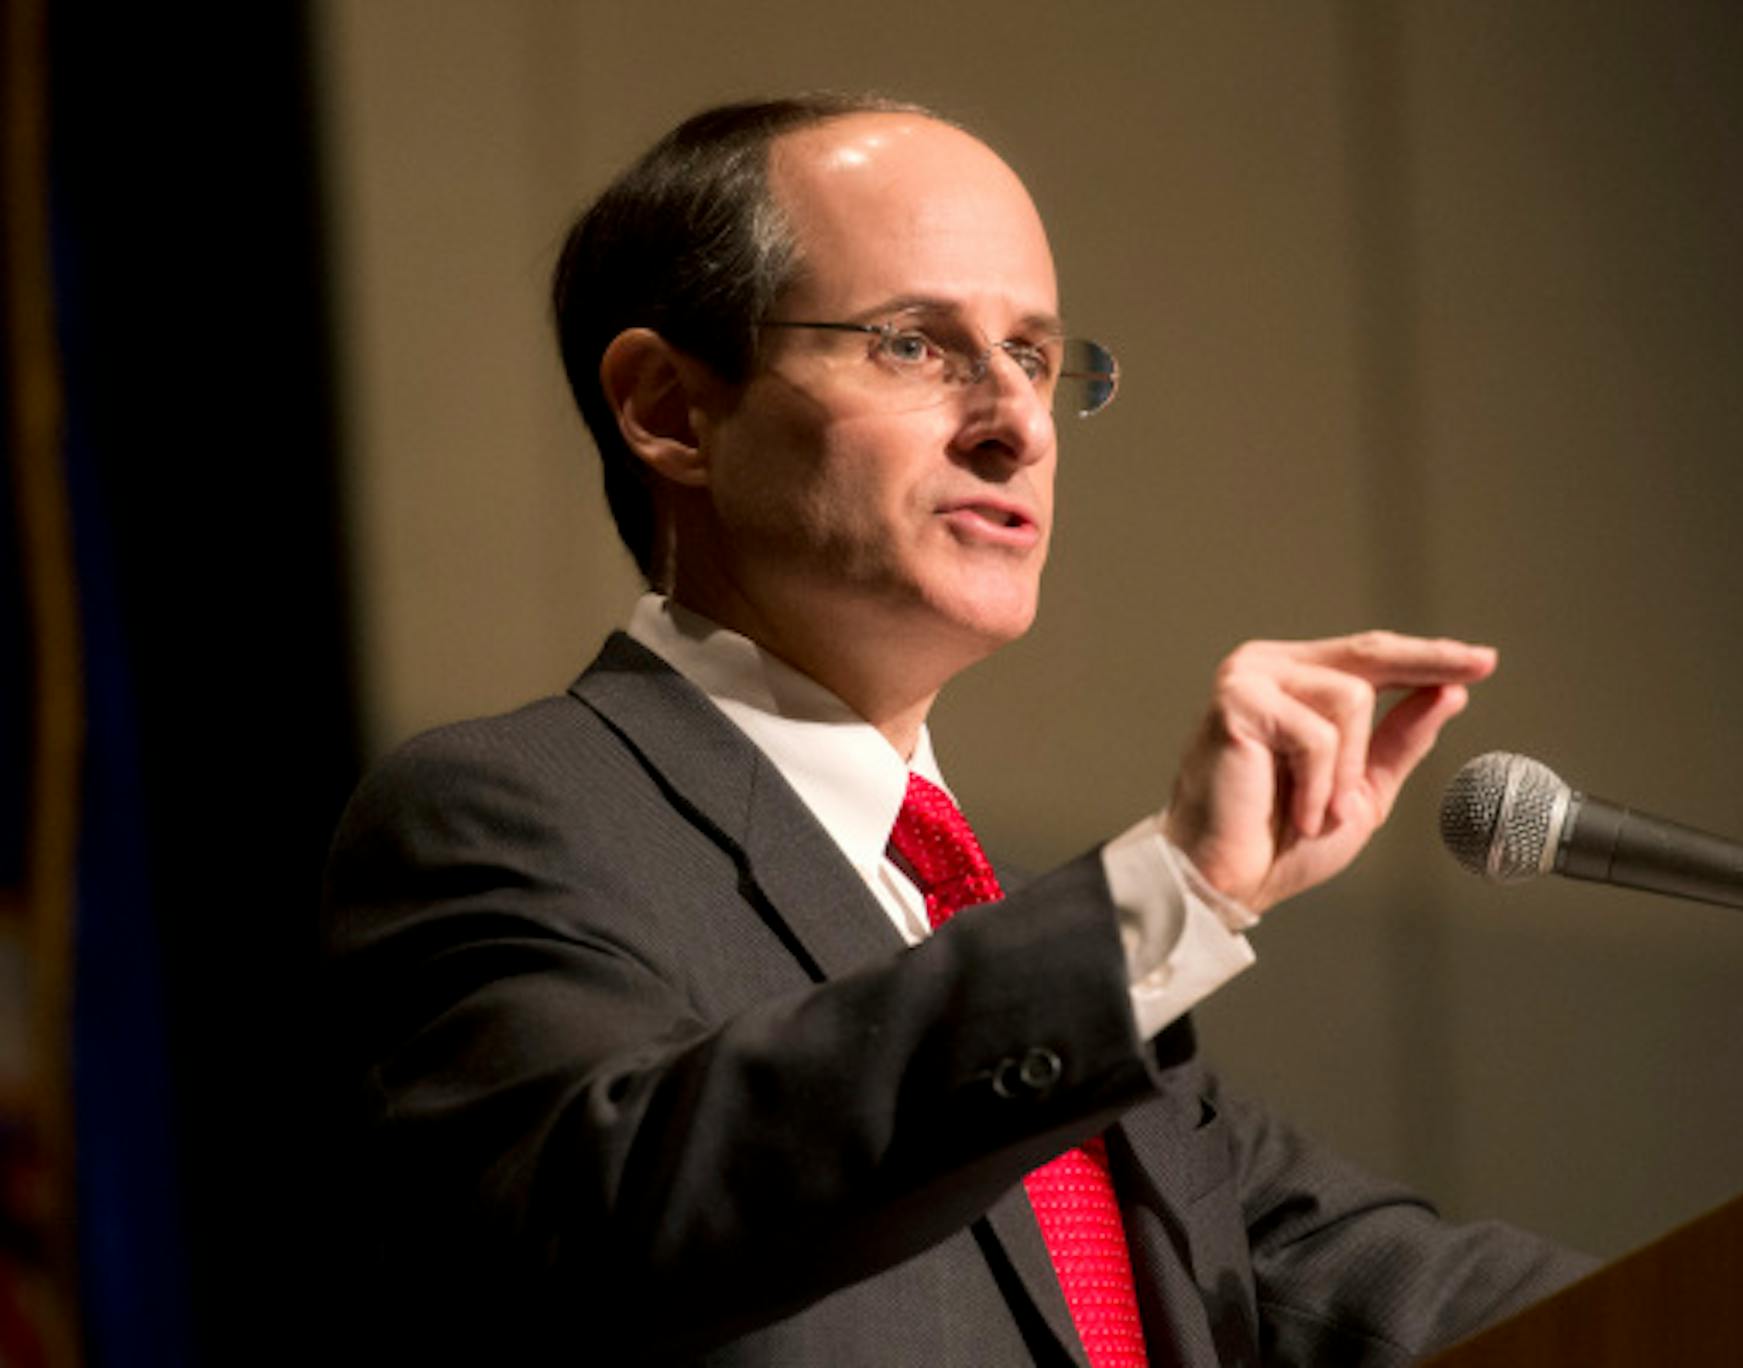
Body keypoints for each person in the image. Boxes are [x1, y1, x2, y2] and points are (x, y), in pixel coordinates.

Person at [321, 94, 1592, 1366]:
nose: (1019, 423)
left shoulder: (1018, 937)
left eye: (1035, 357)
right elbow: (621, 1212)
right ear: (669, 409)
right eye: (916, 347)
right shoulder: (513, 812)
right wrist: (1165, 898)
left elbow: (1384, 1290)